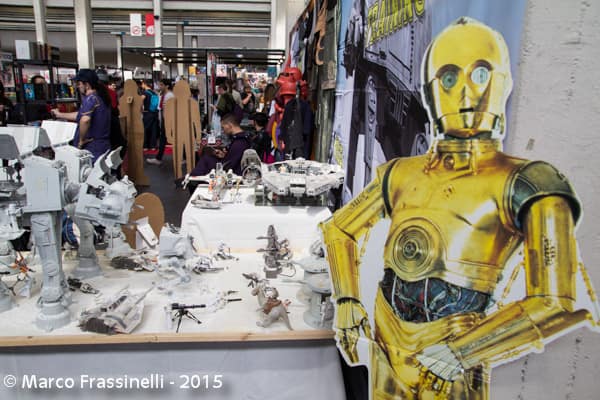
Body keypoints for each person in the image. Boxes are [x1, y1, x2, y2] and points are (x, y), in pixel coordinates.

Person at [320, 18, 598, 399]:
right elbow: (338, 228)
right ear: (432, 92)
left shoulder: (526, 182)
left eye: (480, 74)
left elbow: (555, 301)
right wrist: (348, 300)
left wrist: (465, 351)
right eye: (449, 78)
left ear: (502, 82)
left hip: (453, 352)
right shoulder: (401, 173)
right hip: (386, 336)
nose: (466, 91)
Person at [51, 69, 111, 162]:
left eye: (79, 84)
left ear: (87, 85)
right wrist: (59, 114)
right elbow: (80, 115)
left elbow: (85, 120)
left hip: (93, 147)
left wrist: (81, 140)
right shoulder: (99, 97)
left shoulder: (90, 99)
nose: (78, 87)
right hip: (101, 145)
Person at [188, 113, 251, 194]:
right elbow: (234, 158)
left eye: (223, 127)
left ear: (229, 125)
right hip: (229, 166)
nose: (223, 130)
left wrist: (224, 158)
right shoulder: (242, 139)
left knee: (205, 159)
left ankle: (193, 180)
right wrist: (224, 155)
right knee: (206, 158)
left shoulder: (239, 143)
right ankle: (193, 178)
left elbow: (229, 165)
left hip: (230, 171)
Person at [147, 78, 175, 166]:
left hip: (168, 121)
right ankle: (158, 158)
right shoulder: (163, 95)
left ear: (167, 86)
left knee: (166, 139)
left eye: (161, 85)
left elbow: (169, 110)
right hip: (164, 120)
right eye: (159, 84)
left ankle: (159, 158)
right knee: (163, 139)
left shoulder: (169, 96)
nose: (159, 86)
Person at [140, 79, 160, 150]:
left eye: (142, 84)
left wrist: (141, 109)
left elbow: (141, 100)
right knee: (153, 129)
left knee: (145, 129)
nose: (141, 85)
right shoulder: (154, 92)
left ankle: (145, 146)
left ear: (145, 84)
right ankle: (153, 146)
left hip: (147, 113)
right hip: (154, 112)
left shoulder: (145, 92)